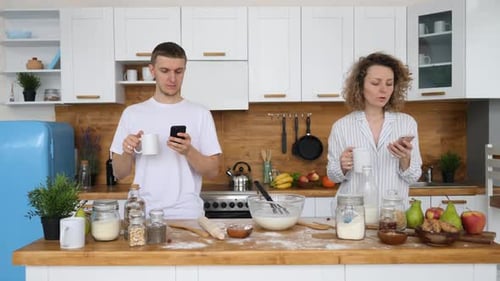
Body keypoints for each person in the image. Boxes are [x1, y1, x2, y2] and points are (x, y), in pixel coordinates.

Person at [110, 42, 222, 219]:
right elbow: (119, 173)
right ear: (152, 70)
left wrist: (188, 151)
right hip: (144, 214)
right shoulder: (132, 114)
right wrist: (126, 151)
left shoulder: (200, 113)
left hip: (188, 215)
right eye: (165, 71)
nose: (172, 79)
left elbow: (213, 171)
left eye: (178, 71)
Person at [326, 52, 422, 206]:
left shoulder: (407, 123)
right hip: (353, 214)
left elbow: (414, 177)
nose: (383, 90)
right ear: (360, 85)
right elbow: (333, 176)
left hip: (392, 214)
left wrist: (405, 159)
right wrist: (342, 166)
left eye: (389, 83)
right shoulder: (341, 126)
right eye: (376, 83)